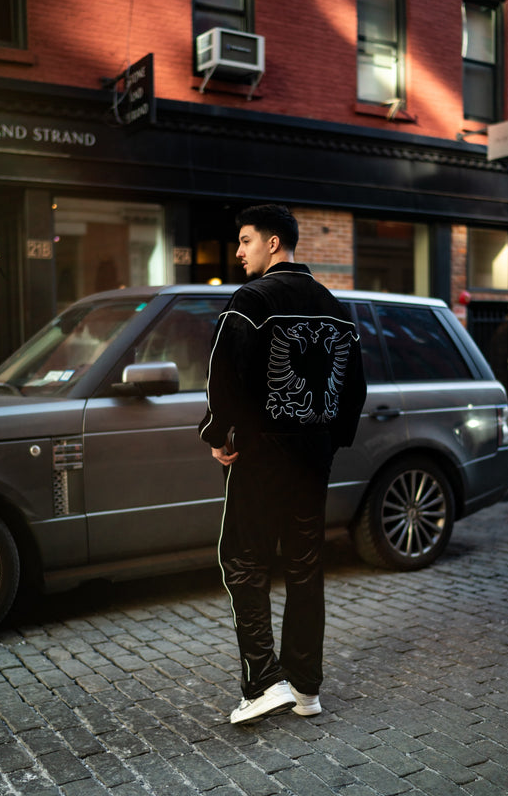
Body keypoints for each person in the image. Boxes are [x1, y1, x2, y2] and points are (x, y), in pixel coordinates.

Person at [199, 204, 366, 724]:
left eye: (246, 240)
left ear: (274, 243)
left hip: (260, 452)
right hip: (312, 456)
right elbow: (354, 389)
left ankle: (263, 682)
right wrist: (328, 442)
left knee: (243, 561)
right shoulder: (335, 306)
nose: (239, 251)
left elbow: (223, 374)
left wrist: (217, 434)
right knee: (304, 565)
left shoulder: (252, 300)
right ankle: (306, 689)